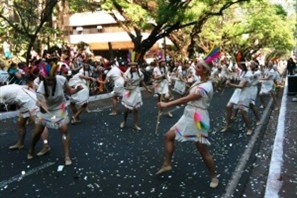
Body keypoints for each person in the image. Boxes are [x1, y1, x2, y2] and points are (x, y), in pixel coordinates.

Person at [156, 60, 219, 189]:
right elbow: (187, 90)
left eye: (198, 67)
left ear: (205, 71)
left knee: (202, 149)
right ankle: (167, 163)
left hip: (199, 118)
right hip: (189, 114)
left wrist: (166, 105)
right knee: (168, 136)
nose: (195, 68)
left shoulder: (206, 86)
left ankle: (214, 176)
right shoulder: (199, 81)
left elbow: (186, 99)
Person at [27, 58, 83, 165]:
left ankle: (67, 156)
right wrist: (42, 107)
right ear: (44, 78)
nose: (51, 82)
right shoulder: (41, 87)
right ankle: (32, 148)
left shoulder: (62, 79)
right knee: (37, 132)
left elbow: (70, 91)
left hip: (59, 108)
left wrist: (77, 89)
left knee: (64, 129)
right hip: (46, 110)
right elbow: (43, 105)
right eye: (48, 80)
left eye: (52, 79)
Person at [0, 79, 50, 154]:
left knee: (39, 124)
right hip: (20, 99)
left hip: (27, 99)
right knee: (21, 123)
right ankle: (20, 144)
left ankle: (46, 146)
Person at [221, 61, 254, 135]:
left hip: (245, 92)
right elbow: (239, 83)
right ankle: (227, 125)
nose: (238, 66)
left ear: (243, 65)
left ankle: (249, 128)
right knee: (228, 106)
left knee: (243, 111)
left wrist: (230, 84)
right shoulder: (242, 72)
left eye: (239, 65)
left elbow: (242, 86)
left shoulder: (248, 74)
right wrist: (230, 81)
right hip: (238, 91)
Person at [120, 62, 152, 131]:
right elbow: (124, 84)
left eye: (134, 65)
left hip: (136, 91)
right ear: (130, 66)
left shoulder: (140, 73)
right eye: (132, 65)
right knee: (126, 110)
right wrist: (126, 81)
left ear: (137, 66)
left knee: (136, 109)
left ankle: (135, 124)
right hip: (128, 91)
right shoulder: (127, 74)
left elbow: (142, 82)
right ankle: (124, 121)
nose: (133, 66)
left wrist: (147, 89)